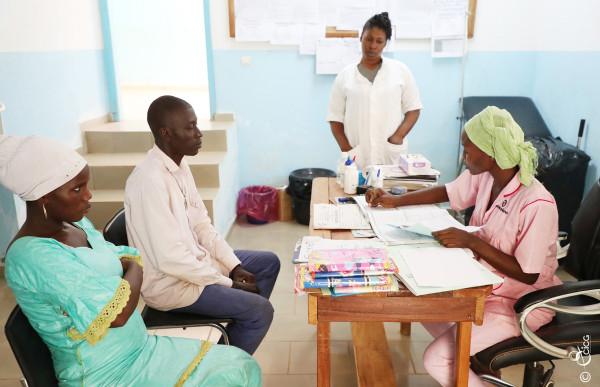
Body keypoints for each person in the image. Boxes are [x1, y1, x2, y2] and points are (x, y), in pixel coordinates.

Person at [0, 134, 261, 386]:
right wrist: (133, 270)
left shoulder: (74, 226)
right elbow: (119, 313)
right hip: (106, 374)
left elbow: (126, 258)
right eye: (77, 189)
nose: (88, 196)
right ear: (43, 196)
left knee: (240, 365)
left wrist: (127, 277)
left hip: (140, 349)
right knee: (230, 377)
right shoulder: (32, 256)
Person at [367, 106, 561, 386]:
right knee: (423, 306)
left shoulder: (536, 203)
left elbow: (528, 274)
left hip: (521, 304)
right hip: (483, 287)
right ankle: (481, 367)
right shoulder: (487, 175)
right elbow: (449, 192)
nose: (463, 156)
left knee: (435, 359)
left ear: (490, 153)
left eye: (467, 151)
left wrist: (471, 241)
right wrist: (395, 201)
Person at [124, 95, 280, 356]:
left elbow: (202, 225)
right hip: (173, 286)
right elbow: (171, 261)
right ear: (166, 133)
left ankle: (232, 336)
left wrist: (234, 266)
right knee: (261, 311)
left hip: (197, 266)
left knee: (267, 263)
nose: (199, 134)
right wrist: (229, 284)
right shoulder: (149, 181)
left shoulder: (180, 165)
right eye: (190, 127)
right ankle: (219, 369)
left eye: (196, 125)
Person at [326, 12, 423, 170]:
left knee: (389, 193)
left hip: (389, 154)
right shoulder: (345, 75)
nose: (372, 46)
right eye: (369, 39)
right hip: (356, 157)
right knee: (353, 190)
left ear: (385, 44)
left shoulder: (400, 71)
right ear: (361, 38)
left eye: (379, 41)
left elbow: (413, 109)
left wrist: (397, 137)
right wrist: (347, 149)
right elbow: (335, 118)